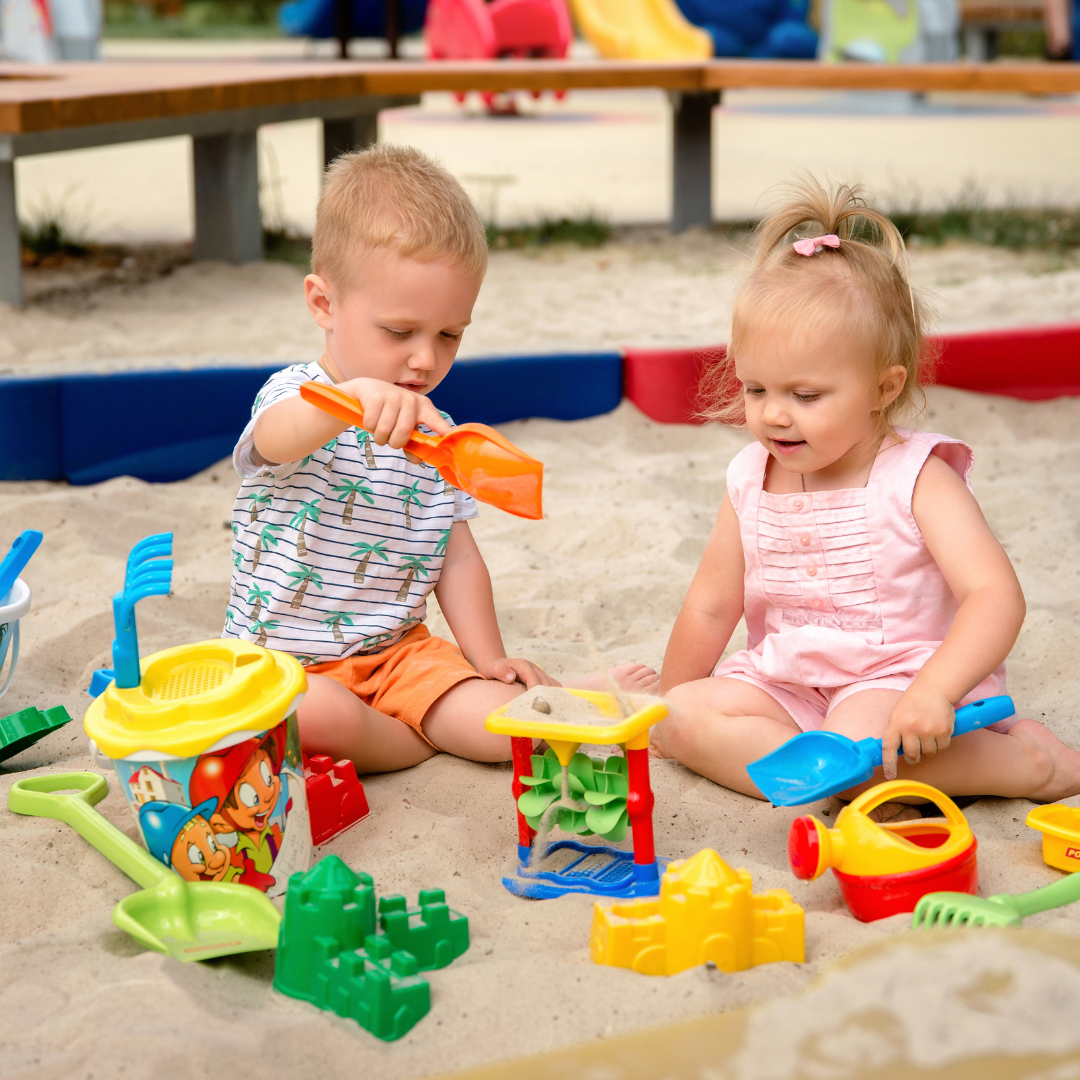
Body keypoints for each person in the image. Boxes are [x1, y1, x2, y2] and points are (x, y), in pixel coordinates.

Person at [224, 145, 653, 774]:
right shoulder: (298, 395)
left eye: (449, 334)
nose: (425, 359)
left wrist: (487, 659)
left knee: (503, 734)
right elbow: (277, 439)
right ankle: (408, 744)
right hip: (291, 665)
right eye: (399, 332)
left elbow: (455, 557)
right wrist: (350, 400)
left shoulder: (439, 436)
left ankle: (544, 702)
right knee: (314, 714)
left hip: (403, 658)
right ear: (324, 304)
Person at [652, 180, 1080, 812]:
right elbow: (712, 608)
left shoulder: (914, 475)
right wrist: (664, 710)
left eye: (805, 396)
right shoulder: (751, 476)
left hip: (896, 684)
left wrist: (935, 691)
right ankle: (823, 771)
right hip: (786, 680)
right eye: (755, 389)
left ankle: (1025, 762)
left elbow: (993, 596)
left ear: (884, 387)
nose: (774, 415)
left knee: (863, 748)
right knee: (685, 715)